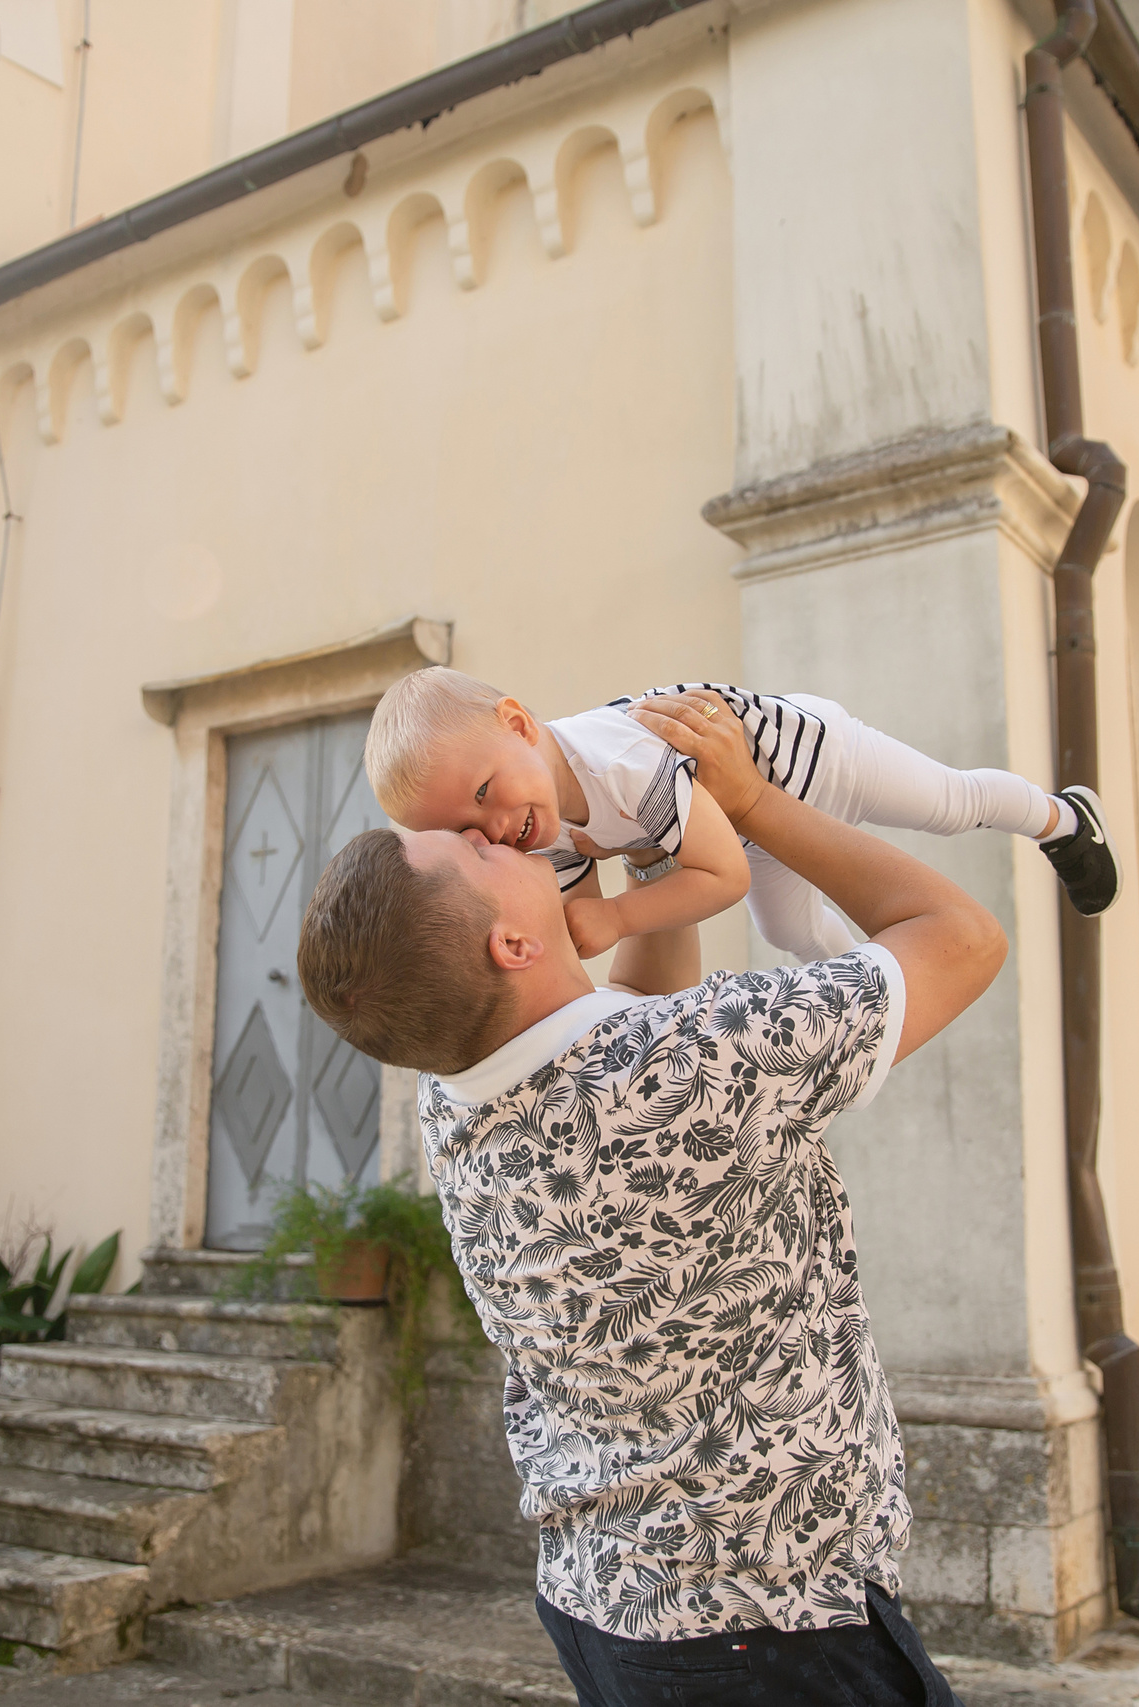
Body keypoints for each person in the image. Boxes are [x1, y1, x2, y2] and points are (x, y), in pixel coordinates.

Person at [296, 686, 1010, 1706]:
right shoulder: (700, 1062)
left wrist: (660, 845)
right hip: (771, 1623)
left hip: (611, 1602)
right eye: (482, 850)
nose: (500, 833)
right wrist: (752, 804)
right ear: (512, 945)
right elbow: (962, 935)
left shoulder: (454, 1095)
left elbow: (628, 1016)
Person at [362, 665, 1117, 962]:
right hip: (739, 825)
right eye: (467, 830)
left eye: (487, 791)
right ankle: (862, 998)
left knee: (948, 803)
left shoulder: (619, 763)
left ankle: (1061, 817)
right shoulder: (540, 835)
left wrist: (622, 920)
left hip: (810, 761)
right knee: (786, 928)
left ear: (521, 724)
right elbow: (573, 928)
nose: (493, 828)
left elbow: (716, 877)